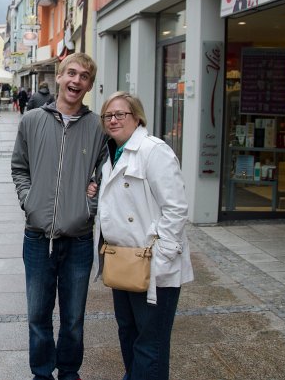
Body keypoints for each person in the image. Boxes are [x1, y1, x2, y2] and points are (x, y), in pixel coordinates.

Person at [11, 52, 108, 380]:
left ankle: (68, 372)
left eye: (83, 76)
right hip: (37, 237)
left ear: (89, 85)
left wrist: (89, 206)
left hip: (78, 240)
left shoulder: (97, 127)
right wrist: (29, 201)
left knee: (74, 318)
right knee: (38, 316)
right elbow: (19, 167)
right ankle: (41, 373)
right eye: (71, 73)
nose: (75, 81)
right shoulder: (32, 120)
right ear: (59, 77)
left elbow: (106, 172)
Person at [93, 92, 194, 380]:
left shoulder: (153, 150)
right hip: (122, 262)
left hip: (151, 264)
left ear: (137, 117)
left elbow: (176, 208)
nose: (113, 120)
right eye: (107, 115)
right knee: (128, 333)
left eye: (120, 114)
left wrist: (162, 255)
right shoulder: (111, 153)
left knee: (151, 343)